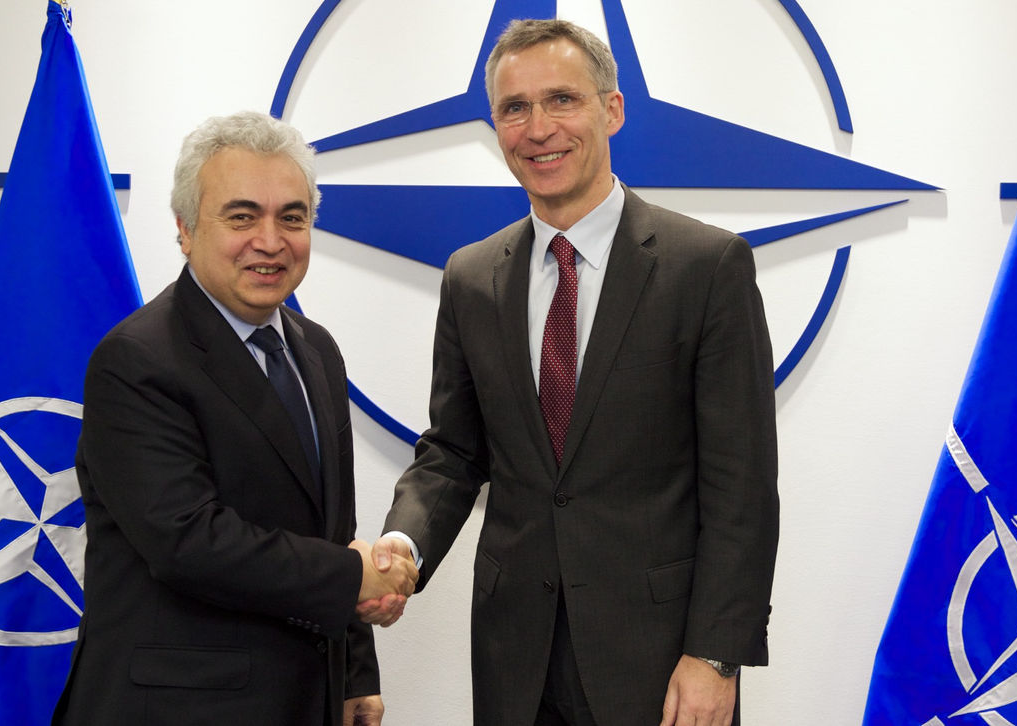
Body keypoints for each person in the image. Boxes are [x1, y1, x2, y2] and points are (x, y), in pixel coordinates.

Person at [361, 19, 779, 726]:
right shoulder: (471, 277)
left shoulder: (707, 266)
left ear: (611, 110)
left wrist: (716, 655)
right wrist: (402, 545)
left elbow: (741, 486)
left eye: (562, 99)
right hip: (515, 659)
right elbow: (453, 453)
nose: (538, 128)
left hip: (661, 663)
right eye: (514, 108)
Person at [52, 111, 417, 726]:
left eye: (292, 218)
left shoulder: (316, 350)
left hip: (307, 701)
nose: (270, 241)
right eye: (242, 216)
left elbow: (332, 528)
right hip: (176, 710)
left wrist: (355, 672)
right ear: (185, 228)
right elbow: (188, 541)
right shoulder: (135, 360)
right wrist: (353, 575)